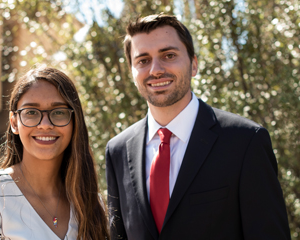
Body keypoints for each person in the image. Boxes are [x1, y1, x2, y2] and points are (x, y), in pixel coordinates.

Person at [106, 14, 290, 240]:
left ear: (193, 64)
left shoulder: (245, 142)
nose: (155, 69)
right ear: (132, 72)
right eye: (143, 60)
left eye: (169, 55)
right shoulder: (117, 151)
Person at [0, 66, 109, 240]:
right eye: (31, 112)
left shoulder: (91, 203)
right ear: (14, 123)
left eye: (58, 112)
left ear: (75, 121)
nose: (45, 124)